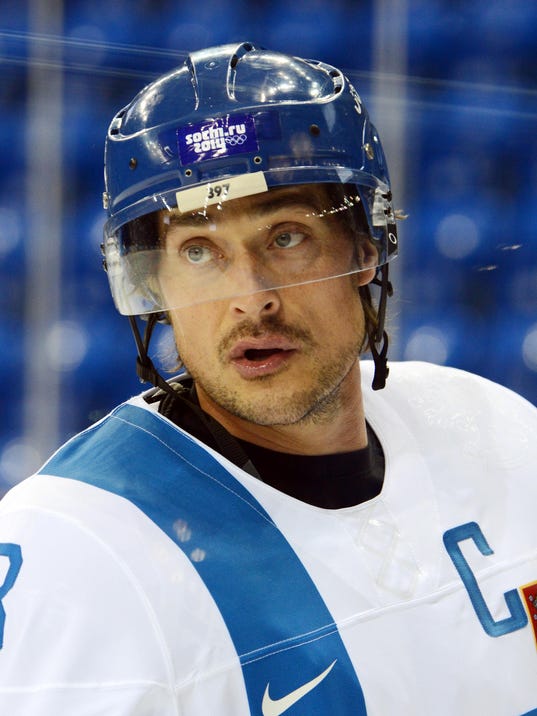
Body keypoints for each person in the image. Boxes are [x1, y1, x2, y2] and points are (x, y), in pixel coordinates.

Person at [0, 41, 536, 716]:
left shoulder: (496, 431)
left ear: (365, 248)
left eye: (286, 237)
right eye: (199, 252)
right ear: (154, 285)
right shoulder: (78, 550)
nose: (251, 298)